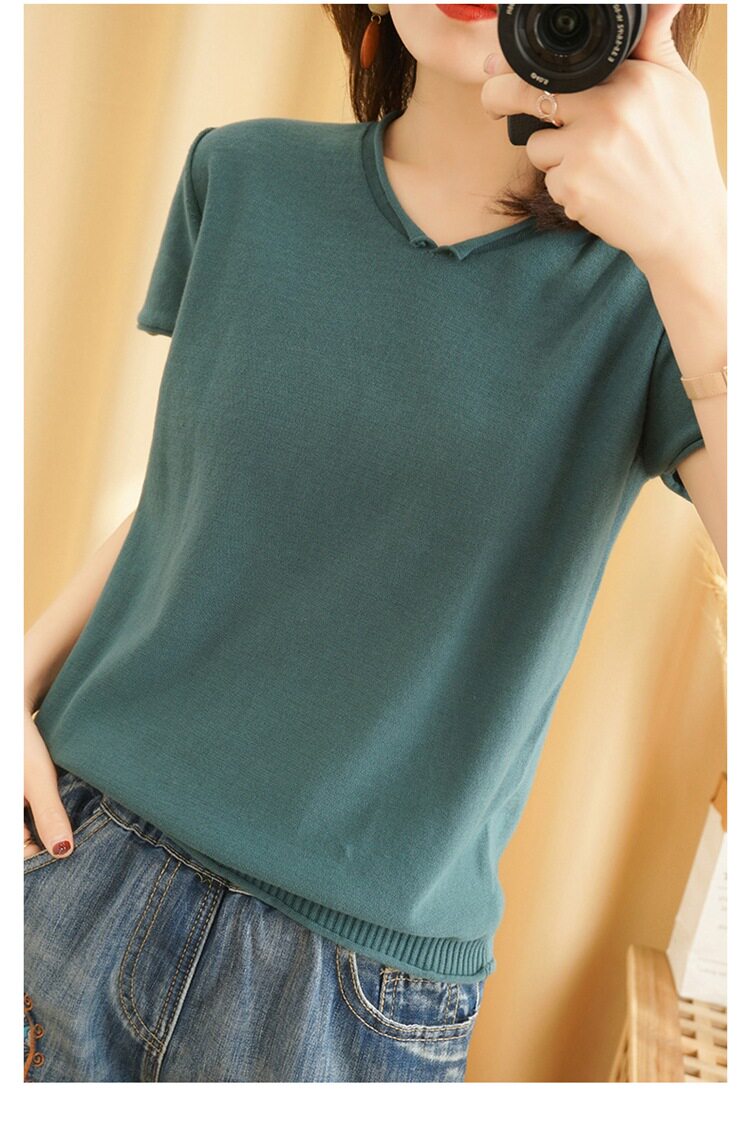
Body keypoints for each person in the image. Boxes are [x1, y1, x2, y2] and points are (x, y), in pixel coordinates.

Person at [24, 3, 725, 1083]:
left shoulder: (655, 292)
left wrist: (697, 257)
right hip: (75, 859)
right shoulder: (242, 177)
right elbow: (190, 504)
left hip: (347, 989)